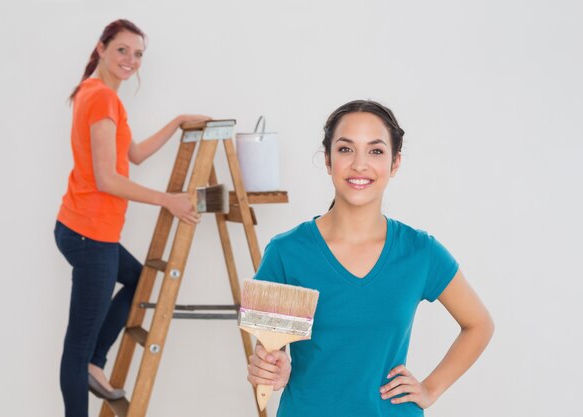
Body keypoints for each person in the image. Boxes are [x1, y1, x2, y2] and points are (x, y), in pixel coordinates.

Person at [246, 100, 494, 416]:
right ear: (327, 159)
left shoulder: (420, 252)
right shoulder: (286, 252)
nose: (360, 164)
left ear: (395, 163)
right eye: (346, 149)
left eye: (375, 151)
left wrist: (431, 389)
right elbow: (270, 349)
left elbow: (479, 324)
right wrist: (271, 368)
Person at [54, 19, 209, 417]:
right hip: (91, 233)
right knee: (76, 347)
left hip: (83, 228)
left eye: (138, 54)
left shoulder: (99, 95)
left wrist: (176, 123)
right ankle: (90, 366)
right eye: (122, 50)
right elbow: (108, 179)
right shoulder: (101, 98)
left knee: (140, 280)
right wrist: (167, 200)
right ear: (102, 48)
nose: (131, 60)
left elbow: (134, 154)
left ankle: (96, 363)